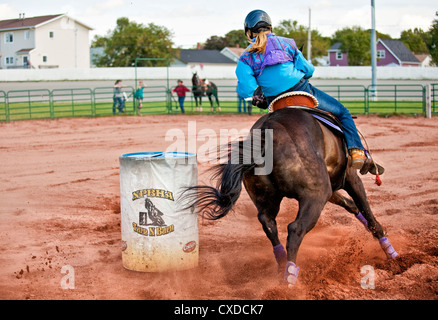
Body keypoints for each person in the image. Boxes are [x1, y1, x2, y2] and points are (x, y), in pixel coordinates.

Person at [236, 9, 368, 170]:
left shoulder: (245, 57)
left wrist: (256, 97)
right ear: (270, 27)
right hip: (302, 91)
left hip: (275, 101)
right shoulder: (287, 43)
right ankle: (356, 151)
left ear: (249, 32)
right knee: (343, 113)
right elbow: (309, 70)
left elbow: (246, 90)